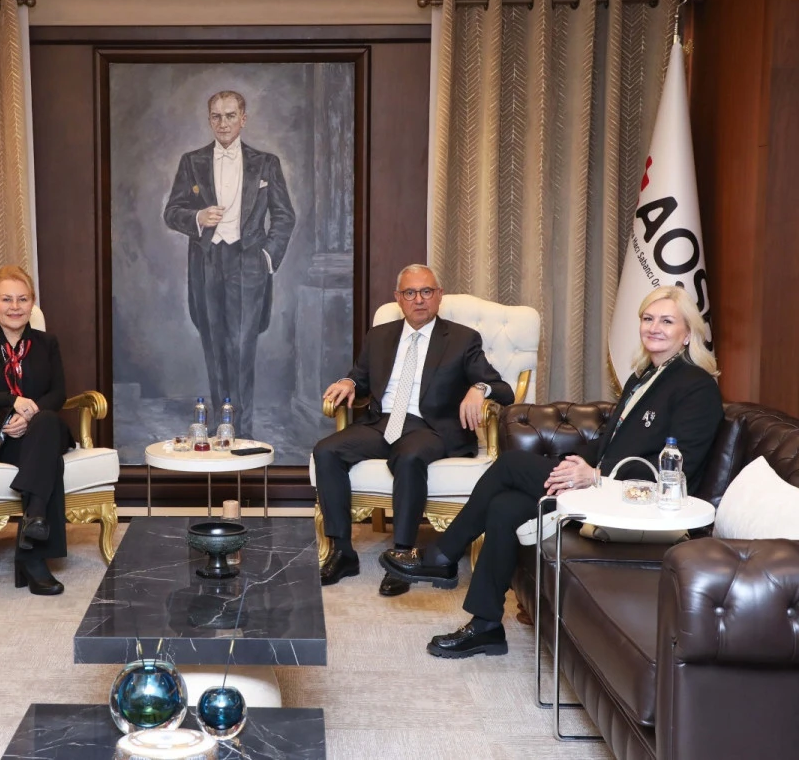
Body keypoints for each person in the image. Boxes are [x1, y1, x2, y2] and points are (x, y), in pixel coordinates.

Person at [383, 285, 723, 659]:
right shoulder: (642, 377)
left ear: (687, 333)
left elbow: (678, 470)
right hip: (602, 489)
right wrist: (575, 466)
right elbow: (608, 445)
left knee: (511, 463)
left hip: (635, 508)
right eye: (648, 318)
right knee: (504, 507)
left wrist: (596, 477)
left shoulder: (696, 386)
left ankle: (443, 556)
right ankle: (485, 626)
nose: (654, 327)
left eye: (667, 321)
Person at [314, 264, 514, 596]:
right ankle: (342, 552)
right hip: (382, 423)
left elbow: (504, 389)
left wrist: (479, 388)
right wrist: (348, 381)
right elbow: (360, 378)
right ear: (398, 298)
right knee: (326, 450)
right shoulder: (379, 336)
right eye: (410, 292)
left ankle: (402, 557)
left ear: (439, 296)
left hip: (431, 427)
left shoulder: (462, 339)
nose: (418, 299)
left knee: (408, 457)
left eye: (426, 291)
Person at [163, 89, 296, 438]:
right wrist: (197, 217)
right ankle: (222, 426)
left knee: (241, 348)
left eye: (230, 115)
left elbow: (284, 216)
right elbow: (171, 212)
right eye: (217, 116)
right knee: (213, 345)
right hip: (206, 263)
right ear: (209, 120)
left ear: (243, 119)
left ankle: (242, 432)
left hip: (248, 263)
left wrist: (266, 256)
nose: (223, 123)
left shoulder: (266, 163)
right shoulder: (191, 161)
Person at [0, 265, 73, 596]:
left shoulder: (47, 343)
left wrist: (30, 415)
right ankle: (34, 550)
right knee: (50, 461)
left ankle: (34, 523)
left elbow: (58, 394)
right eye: (6, 299)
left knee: (47, 422)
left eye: (23, 299)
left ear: (32, 302)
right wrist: (11, 404)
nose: (15, 306)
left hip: (41, 430)